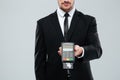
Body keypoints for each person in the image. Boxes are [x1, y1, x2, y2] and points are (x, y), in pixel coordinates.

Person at [34, 0, 102, 80]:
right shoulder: (43, 24)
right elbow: (39, 61)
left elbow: (97, 50)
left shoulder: (88, 21)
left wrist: (81, 51)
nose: (66, 0)